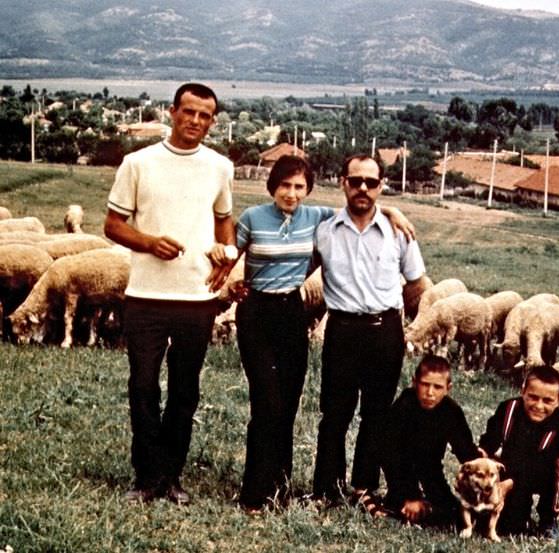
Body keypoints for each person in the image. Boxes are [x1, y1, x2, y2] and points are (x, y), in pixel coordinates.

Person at [216, 154, 415, 514]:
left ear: (308, 189)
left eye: (299, 186)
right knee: (274, 403)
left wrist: (390, 212)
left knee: (296, 405)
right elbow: (229, 256)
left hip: (299, 316)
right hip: (267, 316)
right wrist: (229, 287)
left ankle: (287, 486)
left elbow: (364, 211)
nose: (291, 193)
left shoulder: (322, 219)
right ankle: (260, 491)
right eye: (285, 185)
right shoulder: (270, 220)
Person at [104, 82, 235, 505]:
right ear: (172, 112)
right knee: (143, 386)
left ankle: (171, 478)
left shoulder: (219, 166)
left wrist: (226, 257)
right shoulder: (138, 163)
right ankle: (145, 478)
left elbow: (224, 219)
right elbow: (113, 225)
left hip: (197, 299)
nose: (196, 121)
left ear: (212, 121)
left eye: (205, 116)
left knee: (185, 390)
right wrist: (147, 242)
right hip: (145, 296)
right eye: (189, 112)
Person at [312, 153, 426, 507]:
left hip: (385, 330)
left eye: (371, 182)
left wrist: (409, 326)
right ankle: (326, 489)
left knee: (377, 413)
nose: (363, 188)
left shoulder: (399, 233)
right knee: (335, 413)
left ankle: (364, 486)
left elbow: (416, 282)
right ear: (342, 182)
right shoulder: (324, 231)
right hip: (342, 330)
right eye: (356, 180)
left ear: (382, 186)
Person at [381, 354, 480, 525]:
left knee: (455, 516)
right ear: (414, 382)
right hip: (402, 468)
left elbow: (465, 451)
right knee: (410, 511)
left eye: (437, 387)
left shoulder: (452, 411)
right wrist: (410, 496)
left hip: (431, 469)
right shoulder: (404, 406)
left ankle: (430, 507)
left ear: (448, 388)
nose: (430, 393)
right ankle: (400, 503)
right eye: (425, 385)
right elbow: (390, 454)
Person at [478, 365, 559, 539]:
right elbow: (490, 440)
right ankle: (514, 512)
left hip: (540, 471)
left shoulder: (558, 423)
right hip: (508, 466)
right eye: (533, 397)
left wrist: (507, 485)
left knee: (555, 467)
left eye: (547, 400)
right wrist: (480, 455)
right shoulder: (508, 409)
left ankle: (548, 518)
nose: (539, 405)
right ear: (523, 391)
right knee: (511, 528)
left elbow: (538, 462)